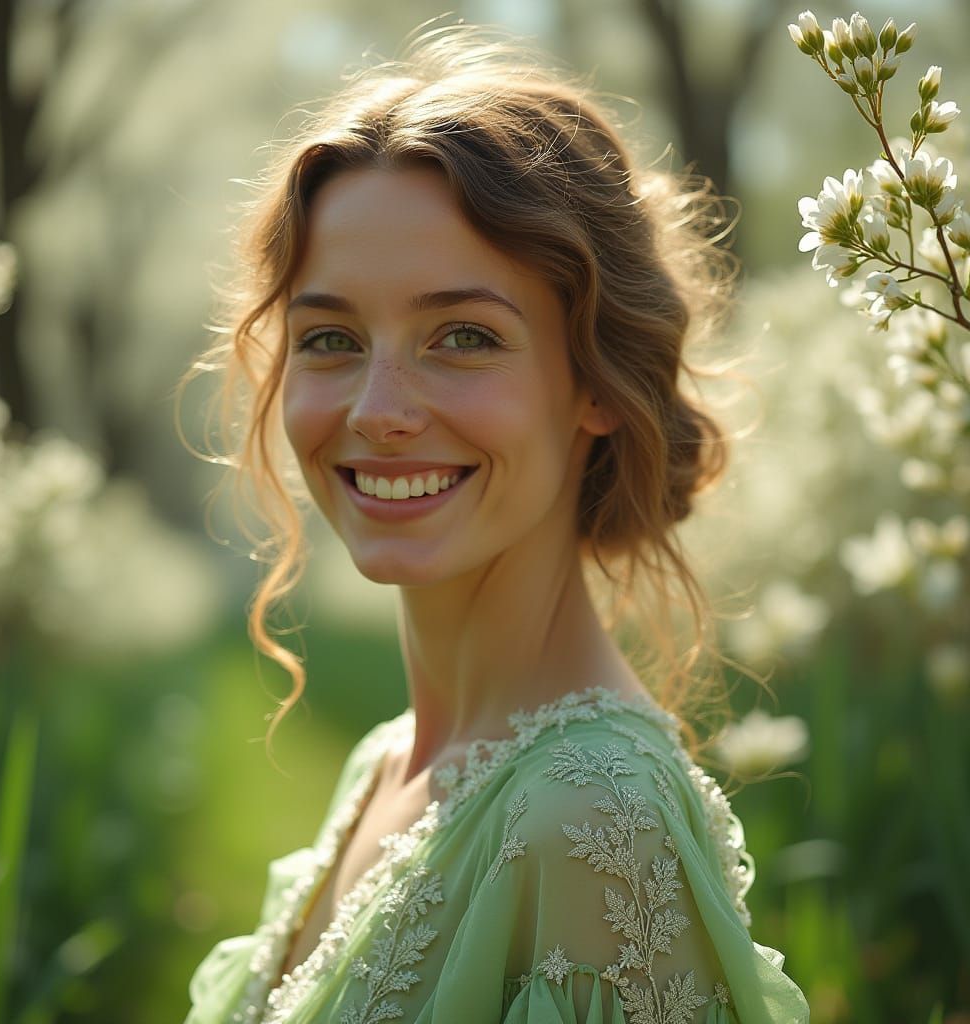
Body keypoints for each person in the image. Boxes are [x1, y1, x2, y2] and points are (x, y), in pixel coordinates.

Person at [180, 21, 810, 1024]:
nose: (378, 408)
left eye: (464, 336)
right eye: (332, 337)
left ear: (593, 383)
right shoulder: (387, 761)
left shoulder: (593, 815)